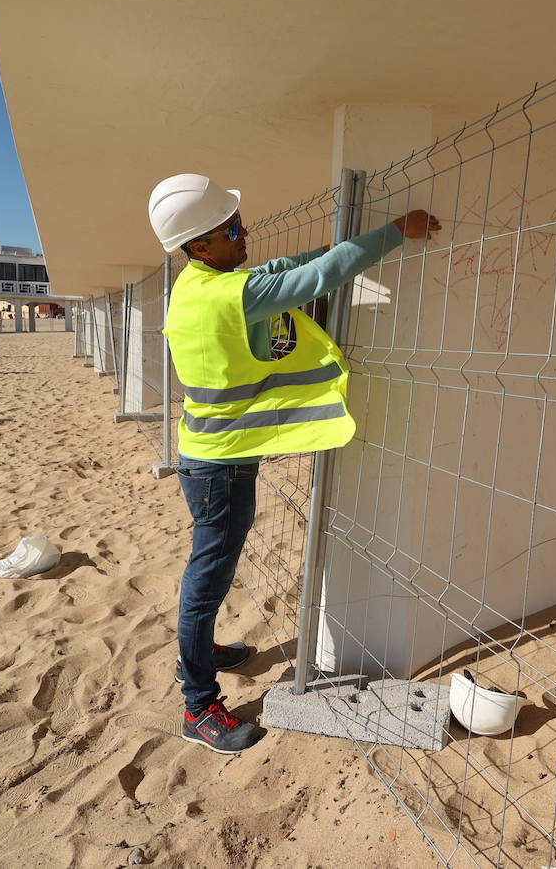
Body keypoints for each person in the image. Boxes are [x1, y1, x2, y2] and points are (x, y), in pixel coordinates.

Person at [149, 173, 439, 754]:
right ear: (200, 245)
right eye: (231, 228)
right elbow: (316, 277)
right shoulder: (232, 293)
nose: (243, 230)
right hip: (220, 464)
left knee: (213, 568)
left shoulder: (198, 283)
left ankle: (198, 654)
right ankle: (198, 703)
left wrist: (334, 244)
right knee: (207, 580)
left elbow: (284, 265)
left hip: (210, 457)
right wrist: (393, 233)